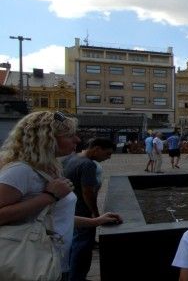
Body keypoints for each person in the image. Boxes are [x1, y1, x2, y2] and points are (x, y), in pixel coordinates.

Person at [0, 111, 122, 280]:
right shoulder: (20, 170)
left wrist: (95, 221)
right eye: (70, 135)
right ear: (47, 138)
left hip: (52, 259)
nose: (77, 140)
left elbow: (53, 217)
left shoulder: (46, 168)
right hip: (29, 263)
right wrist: (49, 196)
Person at [63, 138, 115, 281]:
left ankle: (70, 275)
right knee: (83, 248)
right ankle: (77, 277)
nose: (108, 158)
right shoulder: (88, 165)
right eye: (107, 154)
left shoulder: (71, 158)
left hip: (70, 208)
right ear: (96, 149)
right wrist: (95, 215)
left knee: (73, 245)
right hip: (82, 210)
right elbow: (87, 192)